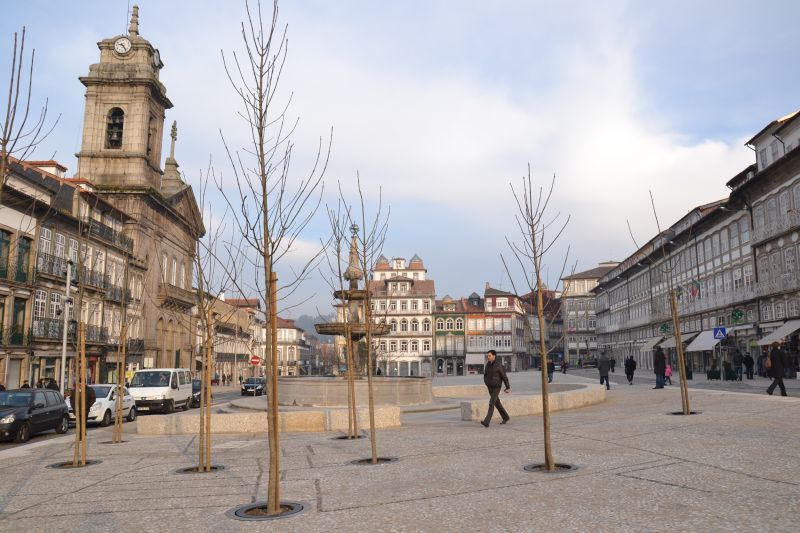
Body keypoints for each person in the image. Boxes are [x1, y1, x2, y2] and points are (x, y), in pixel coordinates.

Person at [481, 350, 510, 427]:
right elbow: (485, 375)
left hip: (496, 387)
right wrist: (486, 383)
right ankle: (506, 417)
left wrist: (508, 387)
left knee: (491, 403)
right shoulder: (487, 365)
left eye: (489, 355)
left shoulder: (499, 365)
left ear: (494, 356)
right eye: (488, 356)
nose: (488, 357)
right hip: (490, 387)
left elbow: (504, 377)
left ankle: (486, 422)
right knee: (497, 403)